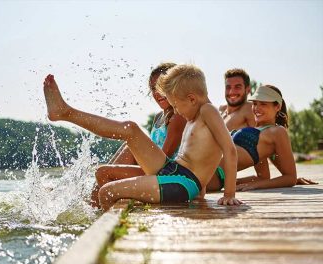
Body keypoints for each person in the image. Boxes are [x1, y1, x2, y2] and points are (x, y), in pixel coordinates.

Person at [43, 64, 242, 211]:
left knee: (107, 191)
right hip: (173, 170)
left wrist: (229, 195)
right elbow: (201, 155)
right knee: (131, 128)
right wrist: (201, 192)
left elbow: (229, 149)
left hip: (182, 182)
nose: (175, 111)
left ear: (191, 98)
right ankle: (65, 112)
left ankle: (101, 237)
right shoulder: (195, 114)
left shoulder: (208, 111)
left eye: (176, 105)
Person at [91, 63, 186, 207]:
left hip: (166, 176)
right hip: (153, 170)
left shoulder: (178, 117)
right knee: (128, 146)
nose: (157, 92)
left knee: (104, 172)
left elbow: (163, 161)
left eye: (162, 86)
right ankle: (95, 205)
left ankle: (99, 210)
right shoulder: (158, 117)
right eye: (153, 88)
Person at [209, 85, 298, 191]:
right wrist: (234, 183)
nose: (257, 108)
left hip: (212, 174)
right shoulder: (259, 131)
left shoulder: (278, 131)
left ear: (277, 107)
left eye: (263, 104)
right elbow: (263, 177)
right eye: (255, 103)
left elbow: (290, 177)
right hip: (208, 168)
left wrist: (255, 186)